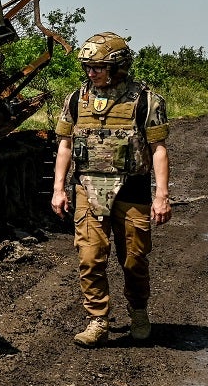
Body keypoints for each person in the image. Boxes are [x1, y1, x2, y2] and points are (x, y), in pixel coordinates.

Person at [51, 32, 171, 347]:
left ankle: (139, 313)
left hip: (132, 190)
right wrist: (58, 189)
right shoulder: (76, 99)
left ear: (117, 66)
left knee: (134, 259)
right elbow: (64, 145)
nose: (91, 72)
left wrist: (161, 195)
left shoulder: (146, 100)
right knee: (90, 258)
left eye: (98, 67)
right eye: (88, 67)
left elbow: (158, 149)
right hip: (88, 189)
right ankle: (98, 320)